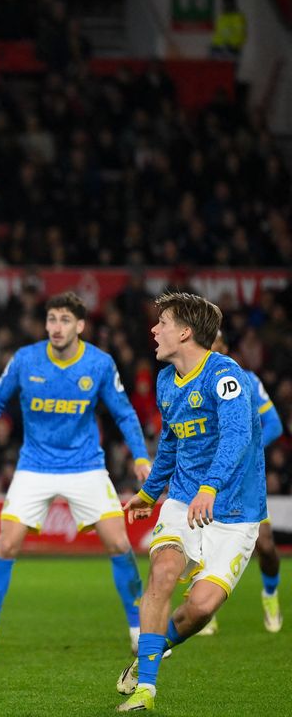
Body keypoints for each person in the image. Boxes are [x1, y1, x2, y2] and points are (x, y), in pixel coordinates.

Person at [0, 292, 151, 660]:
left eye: (64, 320)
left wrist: (141, 457)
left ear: (80, 326)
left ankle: (139, 632)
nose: (56, 327)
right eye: (51, 319)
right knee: (7, 544)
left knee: (118, 543)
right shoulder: (25, 359)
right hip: (35, 466)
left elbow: (124, 413)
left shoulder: (98, 363)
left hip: (86, 466)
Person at [116, 292, 267, 712]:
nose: (154, 330)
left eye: (162, 322)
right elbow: (171, 441)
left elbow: (238, 435)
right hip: (184, 499)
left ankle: (153, 648)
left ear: (185, 332)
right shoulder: (166, 380)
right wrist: (150, 493)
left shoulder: (225, 375)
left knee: (200, 609)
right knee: (163, 571)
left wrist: (211, 486)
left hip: (234, 509)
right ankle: (147, 687)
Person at [190, 329, 284, 636]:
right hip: (207, 477)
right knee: (200, 545)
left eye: (214, 342)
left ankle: (270, 595)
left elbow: (274, 424)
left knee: (266, 546)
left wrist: (247, 445)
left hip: (245, 481)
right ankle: (205, 611)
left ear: (225, 347)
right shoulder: (190, 380)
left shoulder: (247, 380)